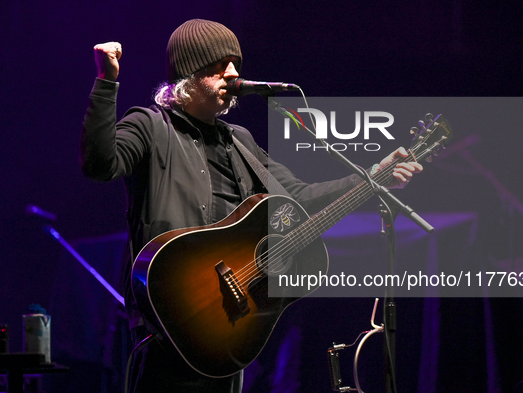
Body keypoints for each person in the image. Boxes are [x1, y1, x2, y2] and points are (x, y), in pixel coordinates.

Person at [80, 18, 422, 393]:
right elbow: (99, 165)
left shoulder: (239, 141)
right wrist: (106, 83)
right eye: (220, 65)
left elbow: (299, 198)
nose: (234, 73)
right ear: (189, 73)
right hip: (170, 317)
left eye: (235, 63)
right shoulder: (150, 125)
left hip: (230, 323)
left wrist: (373, 176)